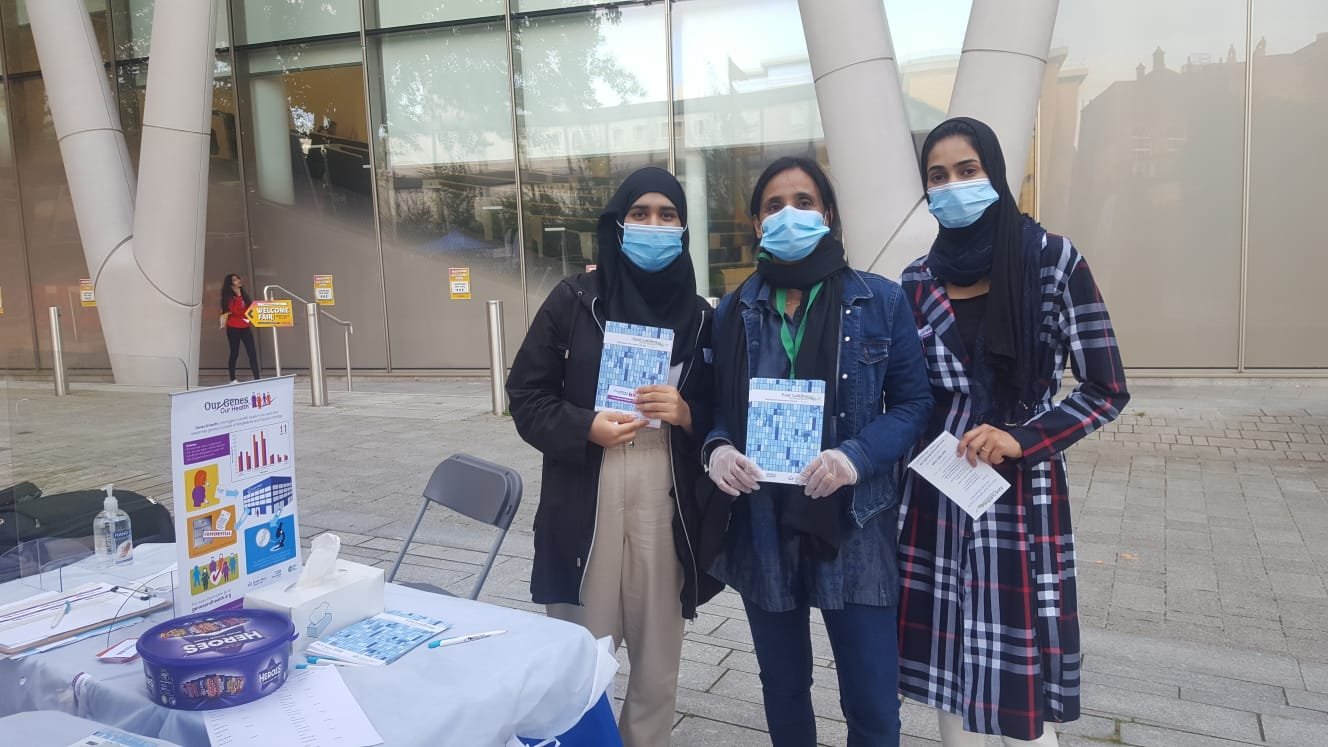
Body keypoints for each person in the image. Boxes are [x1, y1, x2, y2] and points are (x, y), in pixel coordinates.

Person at [896, 117, 1130, 746]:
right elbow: (905, 393)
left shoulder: (1052, 260)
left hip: (1022, 497)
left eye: (967, 171)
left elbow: (1106, 389)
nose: (953, 186)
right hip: (938, 494)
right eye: (937, 177)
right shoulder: (917, 281)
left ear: (995, 174)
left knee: (1020, 681)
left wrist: (1023, 438)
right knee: (948, 668)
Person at [702, 156, 932, 747]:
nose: (789, 215)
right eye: (774, 206)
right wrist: (718, 448)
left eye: (803, 202)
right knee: (783, 687)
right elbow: (716, 408)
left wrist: (856, 455)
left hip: (853, 522)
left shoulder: (879, 301)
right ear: (756, 223)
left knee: (874, 702)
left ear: (827, 213)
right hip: (762, 521)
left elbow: (913, 403)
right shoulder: (733, 310)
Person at [506, 167, 716, 747]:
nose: (654, 225)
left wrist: (688, 412)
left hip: (664, 490)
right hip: (587, 489)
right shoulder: (575, 300)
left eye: (667, 215)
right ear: (617, 225)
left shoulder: (701, 316)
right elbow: (525, 395)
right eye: (640, 213)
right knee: (582, 658)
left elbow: (726, 412)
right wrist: (584, 426)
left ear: (682, 228)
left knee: (657, 661)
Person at [220, 273, 260, 383]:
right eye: (235, 280)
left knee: (252, 352)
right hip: (233, 327)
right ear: (230, 283)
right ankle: (232, 378)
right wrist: (237, 296)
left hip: (245, 326)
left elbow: (249, 308)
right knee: (234, 352)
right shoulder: (228, 297)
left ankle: (257, 378)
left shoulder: (244, 295)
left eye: (238, 278)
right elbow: (235, 311)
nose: (238, 280)